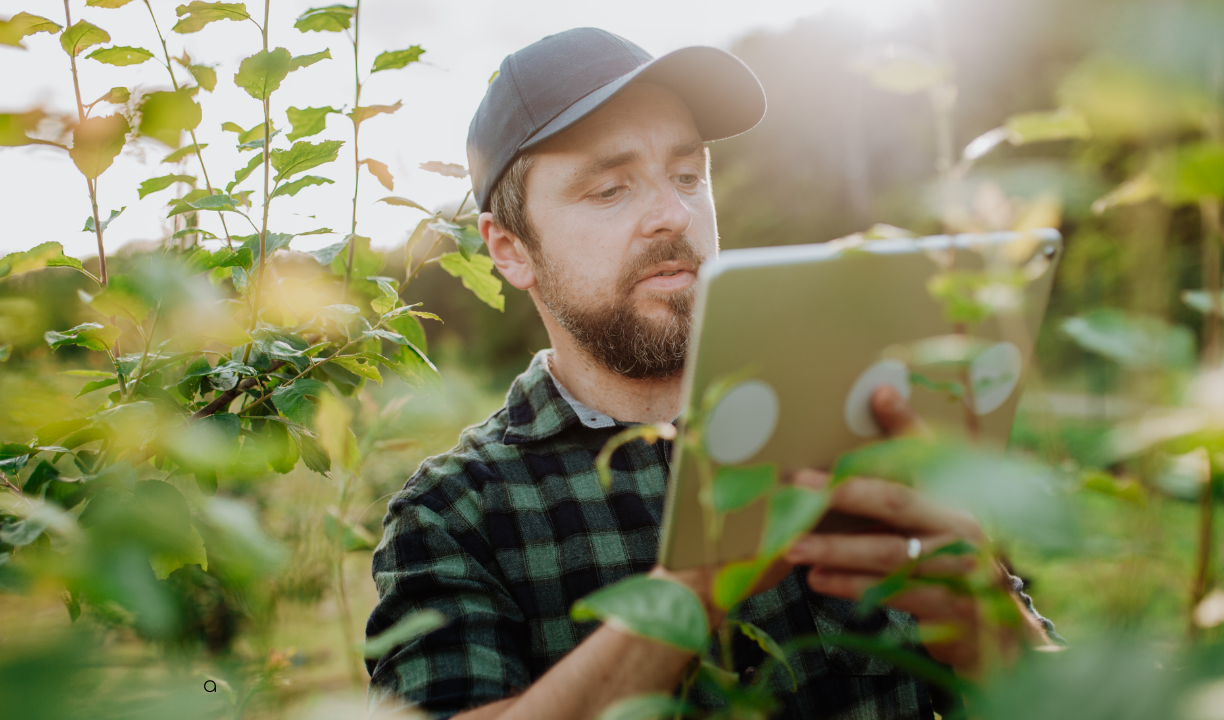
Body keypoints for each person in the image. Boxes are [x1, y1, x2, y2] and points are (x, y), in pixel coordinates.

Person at [365, 27, 1062, 720]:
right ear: (511, 249)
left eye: (688, 176)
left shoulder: (866, 419)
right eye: (610, 190)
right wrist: (693, 587)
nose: (673, 215)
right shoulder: (454, 515)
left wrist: (993, 629)